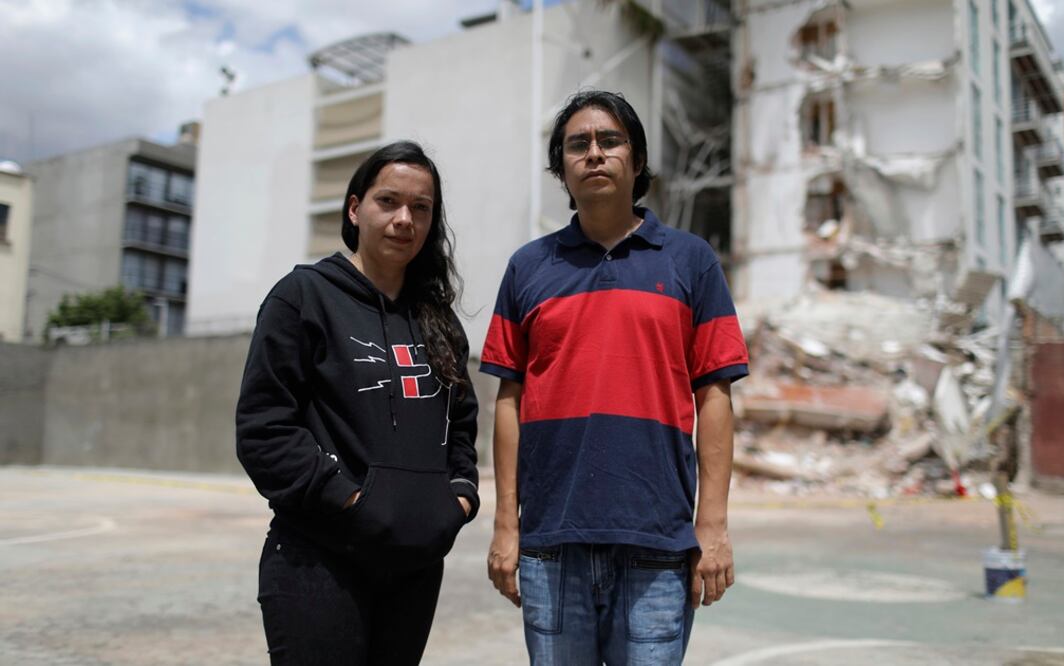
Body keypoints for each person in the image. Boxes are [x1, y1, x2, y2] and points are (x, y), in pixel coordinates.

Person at [481, 91, 749, 665]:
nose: (594, 154)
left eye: (610, 141)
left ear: (636, 158)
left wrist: (714, 525)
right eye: (578, 145)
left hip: (658, 541)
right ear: (562, 169)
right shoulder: (528, 267)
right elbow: (509, 400)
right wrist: (507, 524)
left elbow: (715, 395)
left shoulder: (691, 261)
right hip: (552, 544)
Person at [236, 140, 480, 665]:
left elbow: (460, 426)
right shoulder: (303, 297)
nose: (404, 219)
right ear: (354, 208)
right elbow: (264, 429)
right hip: (318, 563)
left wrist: (457, 499)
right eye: (388, 201)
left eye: (420, 207)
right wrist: (352, 501)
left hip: (413, 570)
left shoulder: (437, 319)